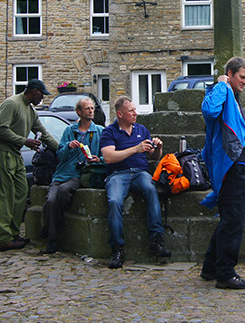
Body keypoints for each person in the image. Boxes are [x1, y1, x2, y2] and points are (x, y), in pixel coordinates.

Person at [200, 57, 245, 289]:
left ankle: (211, 268)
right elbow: (209, 110)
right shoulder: (220, 91)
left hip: (238, 165)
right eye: (241, 77)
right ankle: (225, 273)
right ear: (230, 74)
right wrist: (221, 84)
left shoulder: (231, 95)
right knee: (233, 220)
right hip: (232, 166)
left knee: (229, 219)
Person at [100, 96, 171, 268]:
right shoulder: (109, 132)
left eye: (134, 109)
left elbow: (153, 156)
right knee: (114, 201)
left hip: (140, 173)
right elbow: (109, 158)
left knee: (151, 190)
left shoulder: (141, 129)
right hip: (118, 174)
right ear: (120, 114)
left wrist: (158, 148)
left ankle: (156, 240)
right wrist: (135, 149)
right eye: (131, 111)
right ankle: (117, 248)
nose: (135, 113)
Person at [0, 79, 59, 252]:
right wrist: (24, 141)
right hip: (2, 151)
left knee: (21, 192)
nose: (43, 98)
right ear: (34, 91)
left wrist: (62, 150)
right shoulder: (12, 104)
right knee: (4, 195)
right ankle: (3, 238)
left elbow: (43, 133)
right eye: (42, 94)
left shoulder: (30, 110)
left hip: (15, 153)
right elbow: (0, 129)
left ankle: (13, 233)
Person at [41, 97, 104, 254]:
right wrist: (68, 146)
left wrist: (99, 159)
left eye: (92, 108)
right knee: (50, 199)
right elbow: (60, 155)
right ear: (79, 112)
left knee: (63, 192)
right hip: (62, 173)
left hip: (80, 174)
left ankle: (52, 238)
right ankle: (49, 226)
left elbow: (107, 153)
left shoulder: (99, 131)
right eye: (87, 108)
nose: (91, 111)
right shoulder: (70, 131)